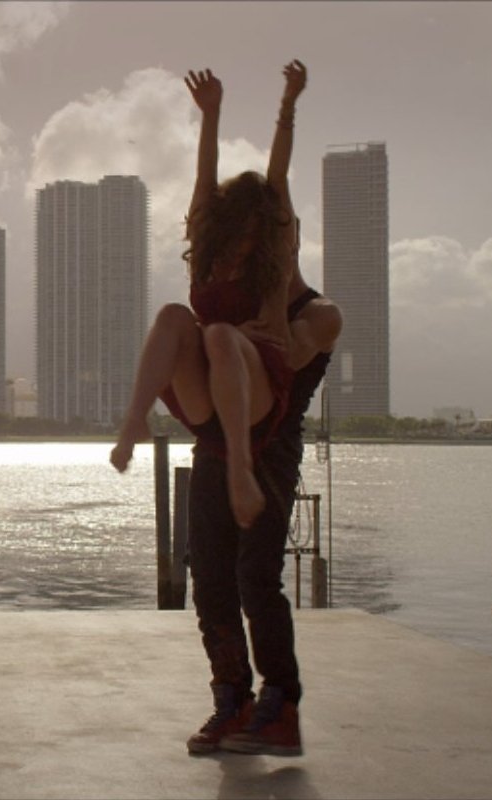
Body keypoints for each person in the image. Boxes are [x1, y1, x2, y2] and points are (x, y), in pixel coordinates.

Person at [162, 59, 341, 759]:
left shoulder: (318, 312)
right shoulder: (236, 282)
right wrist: (210, 117)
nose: (274, 240)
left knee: (255, 576)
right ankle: (230, 700)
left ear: (291, 239)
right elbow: (204, 203)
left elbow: (289, 358)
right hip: (218, 441)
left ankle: (281, 704)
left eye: (282, 231)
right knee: (209, 577)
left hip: (272, 449)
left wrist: (288, 107)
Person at [109, 59, 308, 532]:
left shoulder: (274, 257)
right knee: (174, 316)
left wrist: (287, 104)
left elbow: (278, 175)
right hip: (208, 399)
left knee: (218, 335)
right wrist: (210, 113)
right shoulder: (207, 247)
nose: (246, 242)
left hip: (257, 394)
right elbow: (205, 176)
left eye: (255, 234)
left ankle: (240, 469)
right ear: (225, 225)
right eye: (240, 231)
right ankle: (134, 419)